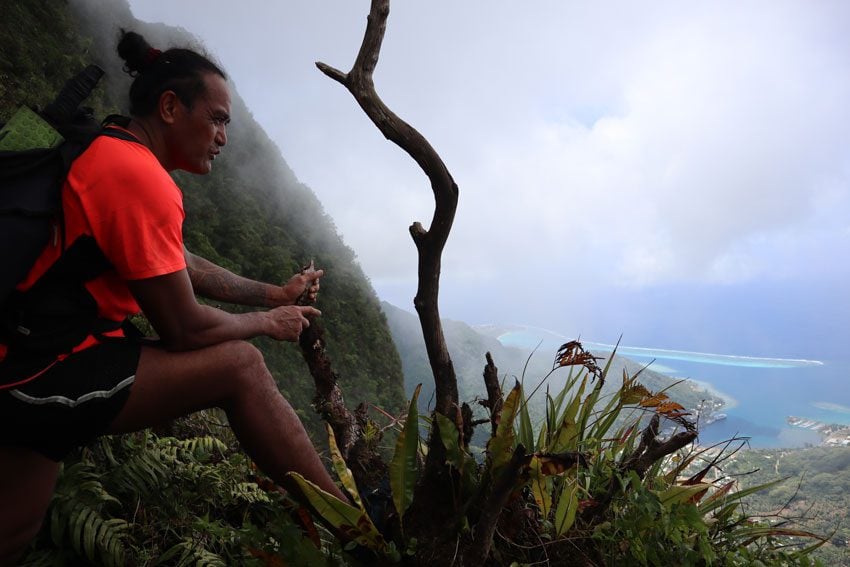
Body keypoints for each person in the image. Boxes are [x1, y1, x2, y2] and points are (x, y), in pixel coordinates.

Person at [0, 30, 348, 564]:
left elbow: (177, 261)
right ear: (169, 107)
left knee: (12, 528)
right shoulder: (141, 179)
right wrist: (268, 322)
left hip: (25, 351)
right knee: (241, 367)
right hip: (36, 371)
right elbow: (185, 330)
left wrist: (272, 293)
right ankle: (351, 524)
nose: (223, 137)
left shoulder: (111, 148)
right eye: (216, 119)